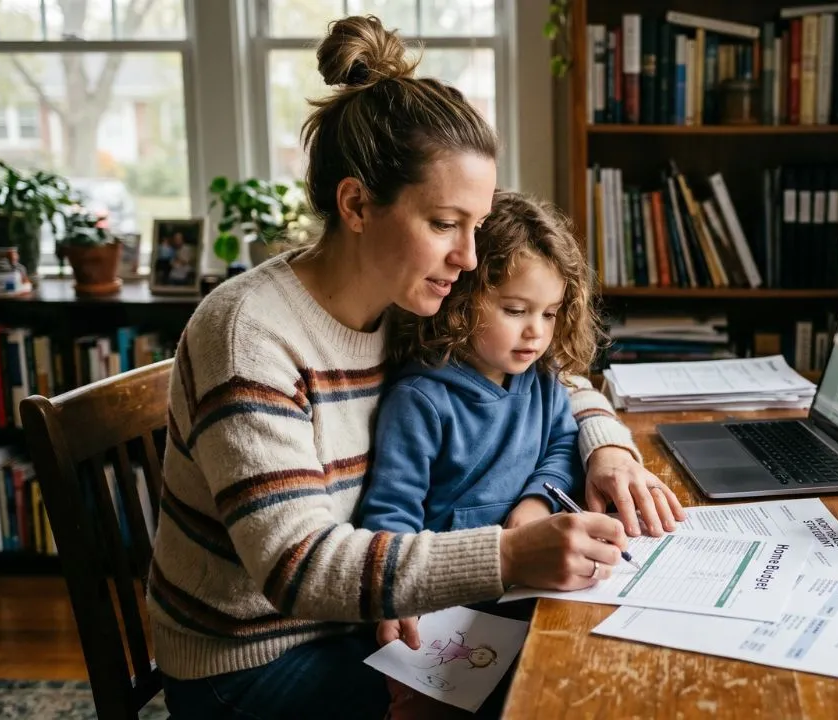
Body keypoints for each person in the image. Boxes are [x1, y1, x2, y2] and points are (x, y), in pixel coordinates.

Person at [149, 16, 685, 719]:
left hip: (371, 623)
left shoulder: (412, 306)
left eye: (476, 224)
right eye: (444, 224)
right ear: (357, 204)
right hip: (252, 663)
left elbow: (553, 378)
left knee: (586, 655)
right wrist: (510, 555)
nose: (467, 257)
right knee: (552, 690)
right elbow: (298, 566)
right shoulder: (249, 335)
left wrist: (607, 450)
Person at [360, 190, 593, 537]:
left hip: (532, 576)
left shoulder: (543, 377)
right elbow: (390, 521)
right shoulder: (419, 401)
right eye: (515, 310)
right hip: (458, 583)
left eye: (549, 314)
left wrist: (538, 502)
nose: (536, 332)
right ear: (460, 302)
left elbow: (565, 447)